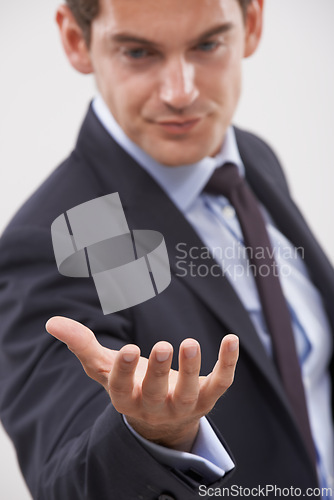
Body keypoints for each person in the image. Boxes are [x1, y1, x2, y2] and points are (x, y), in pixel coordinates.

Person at [0, 0, 333, 499]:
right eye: (138, 52)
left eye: (207, 44)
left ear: (254, 24)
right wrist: (156, 435)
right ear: (76, 40)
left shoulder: (250, 158)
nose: (181, 93)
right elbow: (65, 477)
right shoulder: (68, 233)